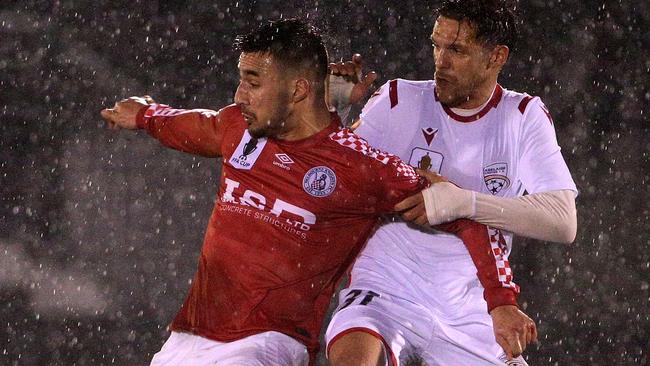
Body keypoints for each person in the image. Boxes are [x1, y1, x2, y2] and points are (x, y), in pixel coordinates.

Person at [99, 19, 516, 366]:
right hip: (186, 339)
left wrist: (501, 303)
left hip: (265, 346)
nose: (239, 95)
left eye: (253, 82)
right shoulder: (239, 128)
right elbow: (197, 126)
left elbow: (466, 213)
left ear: (298, 90)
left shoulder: (361, 167)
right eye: (241, 80)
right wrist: (146, 115)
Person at [325, 1, 577, 365]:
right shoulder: (399, 100)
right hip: (384, 291)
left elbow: (563, 221)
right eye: (436, 45)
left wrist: (461, 203)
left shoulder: (522, 117)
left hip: (470, 310)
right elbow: (331, 178)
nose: (440, 61)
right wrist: (331, 115)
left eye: (456, 50)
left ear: (496, 58)